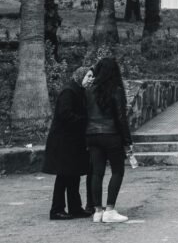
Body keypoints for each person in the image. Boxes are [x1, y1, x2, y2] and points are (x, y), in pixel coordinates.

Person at [85, 57, 133, 224]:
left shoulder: (89, 90)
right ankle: (110, 209)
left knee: (96, 173)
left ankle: (97, 211)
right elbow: (121, 118)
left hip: (92, 135)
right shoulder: (116, 90)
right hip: (111, 135)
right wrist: (127, 140)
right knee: (117, 171)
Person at [43, 66, 94, 220]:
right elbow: (65, 114)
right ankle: (57, 209)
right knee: (64, 176)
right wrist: (85, 121)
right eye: (89, 76)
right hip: (63, 141)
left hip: (72, 141)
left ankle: (75, 207)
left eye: (92, 76)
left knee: (74, 174)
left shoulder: (78, 91)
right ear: (80, 76)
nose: (91, 79)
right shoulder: (69, 91)